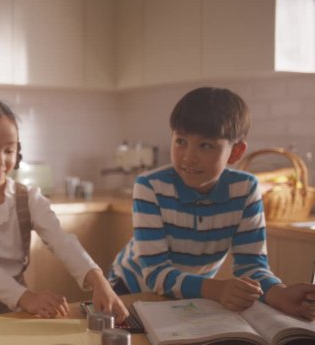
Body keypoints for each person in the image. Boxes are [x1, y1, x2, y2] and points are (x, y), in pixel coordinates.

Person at [108, 86, 315, 320]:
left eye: (205, 145)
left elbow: (251, 266)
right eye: (181, 141)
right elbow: (155, 274)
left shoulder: (245, 189)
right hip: (130, 289)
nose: (188, 156)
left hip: (189, 293)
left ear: (236, 152)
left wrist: (280, 294)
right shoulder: (150, 186)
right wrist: (216, 289)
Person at [0, 98, 128, 321]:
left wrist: (98, 280)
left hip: (16, 305)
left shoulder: (29, 199)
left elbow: (61, 240)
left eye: (9, 150)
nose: (0, 160)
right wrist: (27, 297)